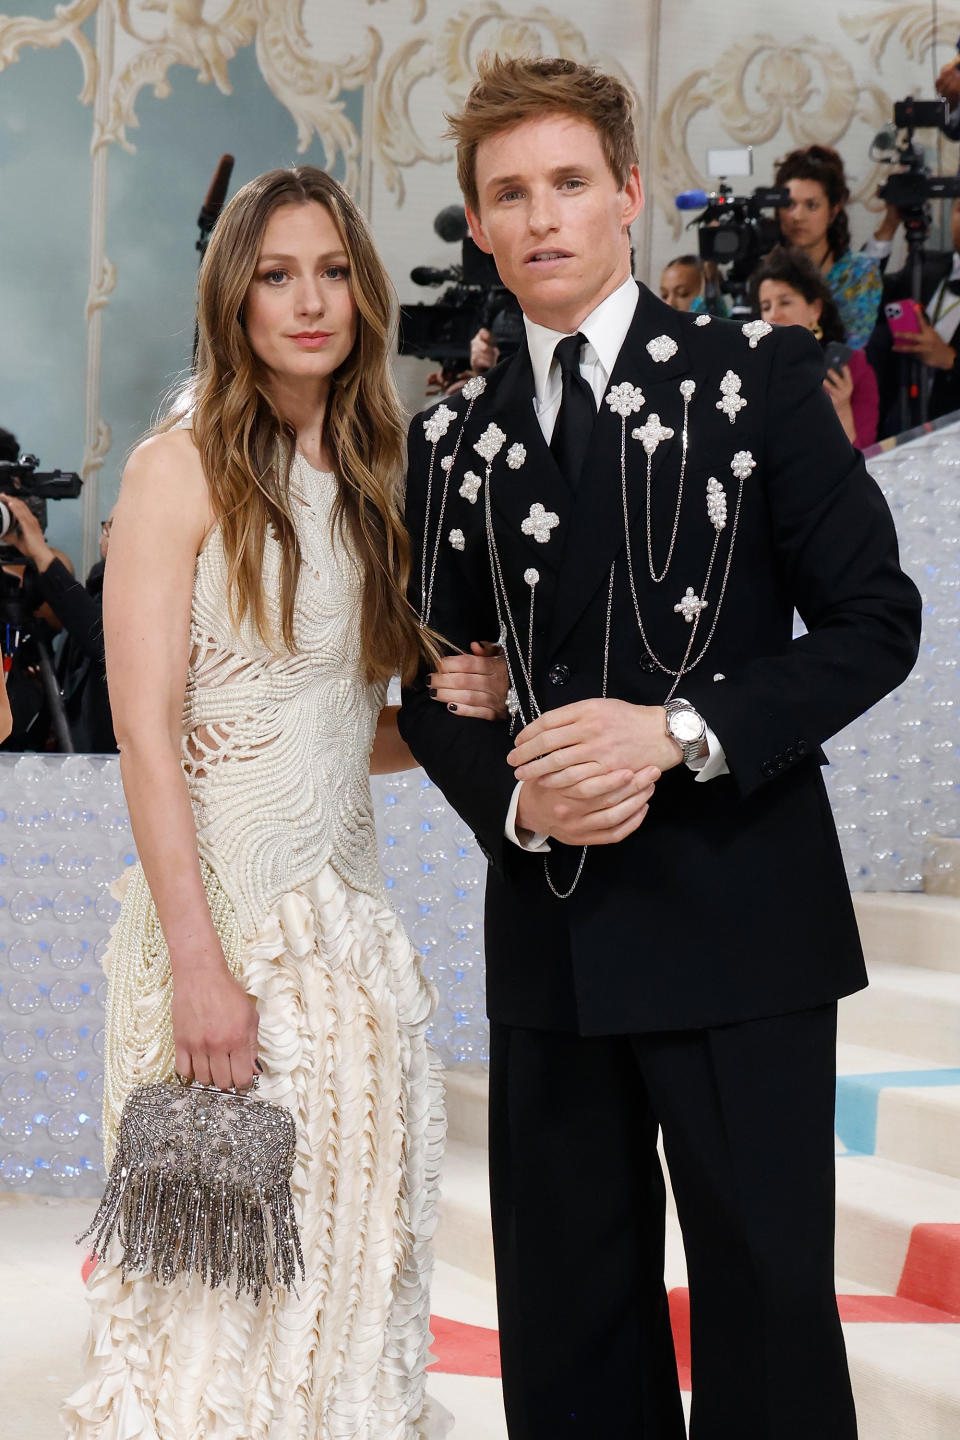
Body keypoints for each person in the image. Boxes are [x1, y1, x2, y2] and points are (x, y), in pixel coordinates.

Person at [398, 54, 921, 1438]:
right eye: (507, 194)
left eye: (569, 183)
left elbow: (876, 621)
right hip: (553, 935)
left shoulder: (754, 375)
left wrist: (676, 731)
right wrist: (521, 808)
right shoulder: (452, 437)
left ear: (627, 196)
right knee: (568, 1320)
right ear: (481, 223)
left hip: (740, 921)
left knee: (765, 1307)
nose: (540, 216)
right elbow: (426, 686)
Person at [62, 165, 507, 1439]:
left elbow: (332, 729)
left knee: (353, 1292)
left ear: (363, 291)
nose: (308, 302)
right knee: (218, 1318)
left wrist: (458, 710)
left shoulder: (375, 475)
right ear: (234, 297)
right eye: (275, 274)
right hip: (224, 941)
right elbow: (146, 735)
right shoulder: (179, 468)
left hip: (351, 943)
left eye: (329, 272)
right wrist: (201, 967)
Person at [0, 492, 117, 751]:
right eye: (107, 527)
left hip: (101, 762)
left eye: (111, 527)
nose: (104, 536)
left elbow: (101, 640)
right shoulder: (97, 589)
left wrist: (41, 555)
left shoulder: (136, 594)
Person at [753, 246, 879, 448]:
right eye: (766, 307)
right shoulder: (756, 372)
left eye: (785, 302)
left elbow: (864, 454)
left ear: (815, 310)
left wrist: (842, 408)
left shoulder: (853, 367)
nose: (773, 315)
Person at [868, 197, 960, 436]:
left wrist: (951, 360)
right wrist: (889, 227)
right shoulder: (924, 265)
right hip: (894, 431)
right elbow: (863, 297)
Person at [775, 143, 883, 348]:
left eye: (811, 205)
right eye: (789, 204)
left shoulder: (858, 272)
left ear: (833, 211)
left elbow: (851, 349)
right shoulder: (768, 269)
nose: (797, 216)